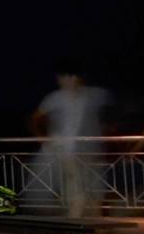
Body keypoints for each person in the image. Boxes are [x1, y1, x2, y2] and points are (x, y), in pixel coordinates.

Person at [32, 70, 111, 217]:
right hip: (69, 151)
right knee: (76, 189)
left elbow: (106, 116)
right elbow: (36, 118)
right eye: (66, 77)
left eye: (74, 77)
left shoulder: (94, 95)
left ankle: (93, 225)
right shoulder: (55, 98)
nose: (71, 80)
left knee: (95, 190)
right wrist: (44, 138)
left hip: (92, 151)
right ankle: (75, 223)